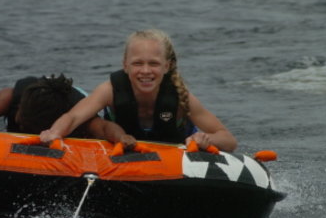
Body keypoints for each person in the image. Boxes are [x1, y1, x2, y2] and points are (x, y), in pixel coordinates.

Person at [40, 30, 238, 152]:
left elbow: (228, 140)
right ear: (125, 65)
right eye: (137, 63)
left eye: (153, 63)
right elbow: (73, 117)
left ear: (166, 66)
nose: (145, 71)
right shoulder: (109, 91)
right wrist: (55, 132)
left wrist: (206, 139)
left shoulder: (181, 97)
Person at [0, 74, 133, 145]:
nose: (17, 120)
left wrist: (121, 138)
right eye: (19, 112)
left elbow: (104, 128)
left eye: (25, 122)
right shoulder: (10, 96)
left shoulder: (77, 116)